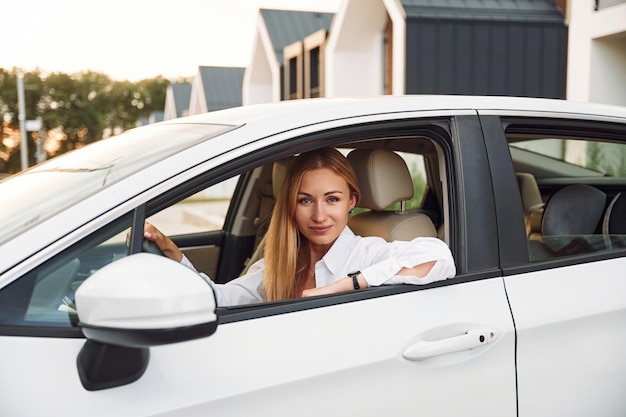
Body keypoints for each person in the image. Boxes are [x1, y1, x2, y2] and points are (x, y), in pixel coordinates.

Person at [143, 147, 456, 306]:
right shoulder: (277, 264)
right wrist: (174, 256)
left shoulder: (368, 252)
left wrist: (344, 286)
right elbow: (221, 300)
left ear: (352, 200)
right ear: (291, 206)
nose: (319, 215)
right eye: (306, 201)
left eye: (332, 199)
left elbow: (439, 258)